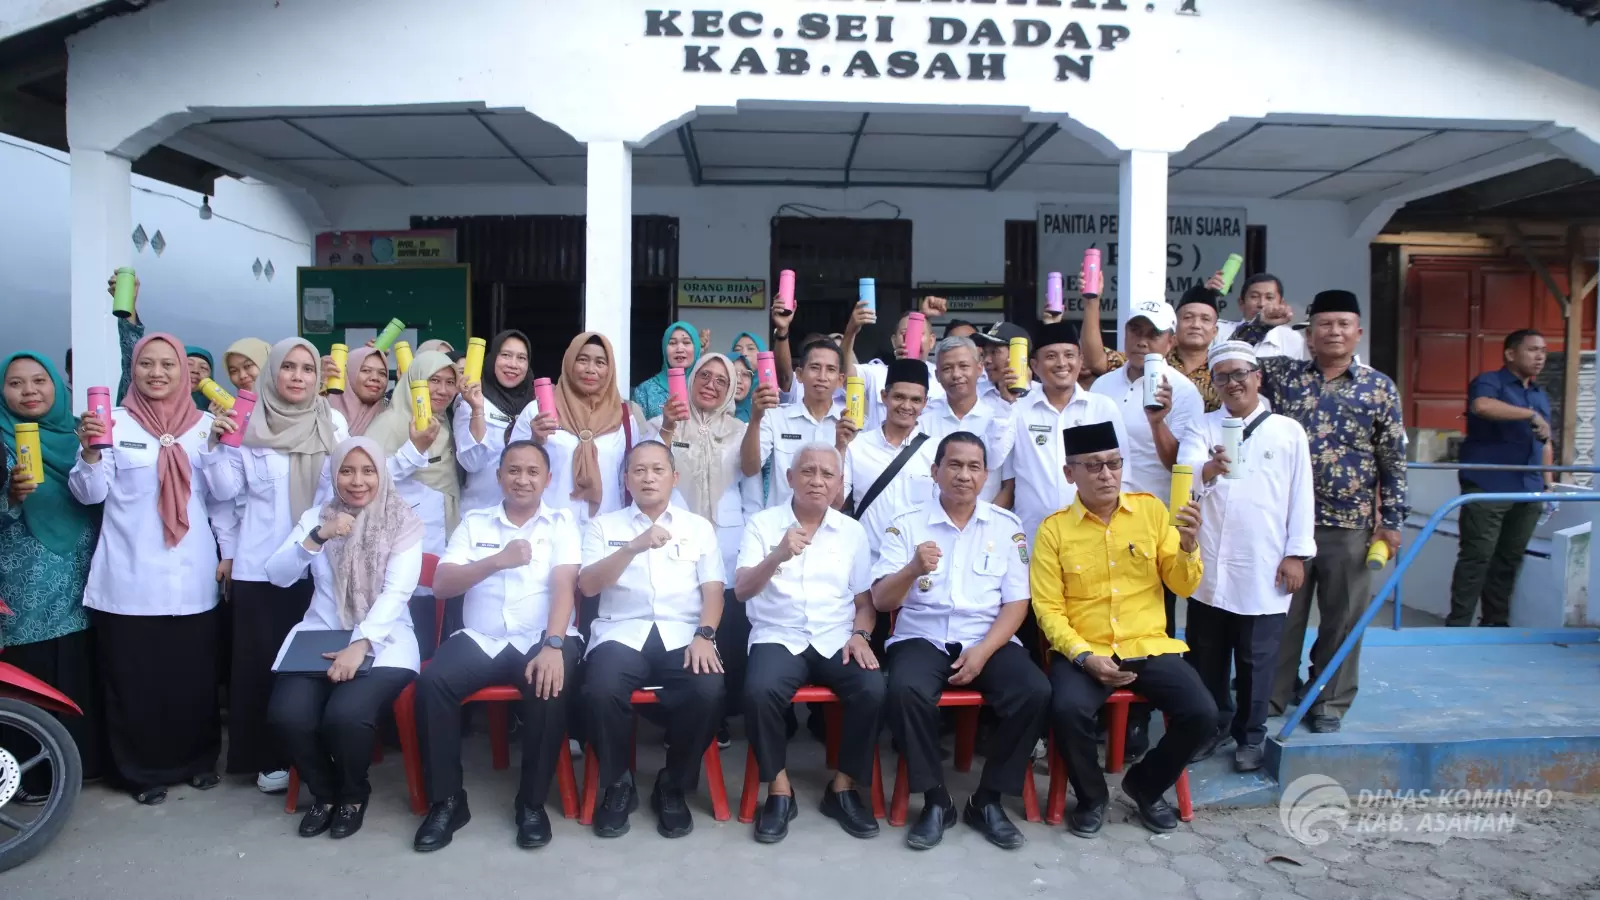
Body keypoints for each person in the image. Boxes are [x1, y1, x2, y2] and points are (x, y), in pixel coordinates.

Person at [1232, 290, 1407, 733]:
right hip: (1287, 523)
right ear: (1308, 335)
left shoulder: (1379, 387)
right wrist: (1261, 321)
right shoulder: (1284, 375)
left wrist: (1391, 521)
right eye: (1324, 324)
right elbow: (1234, 357)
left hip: (1349, 525)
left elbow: (1393, 459)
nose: (1334, 332)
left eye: (1343, 324)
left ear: (1358, 332)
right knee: (1280, 618)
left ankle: (1328, 700)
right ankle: (1272, 694)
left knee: (1342, 621)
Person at [1031, 421, 1215, 837]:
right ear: (1070, 474)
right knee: (1066, 710)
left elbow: (1182, 585)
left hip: (1146, 644)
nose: (1106, 475)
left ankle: (1145, 786)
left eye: (1114, 464)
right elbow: (1048, 609)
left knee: (1203, 714)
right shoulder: (1054, 530)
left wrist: (1188, 547)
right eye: (1093, 466)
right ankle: (1092, 797)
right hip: (1085, 648)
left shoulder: (1151, 511)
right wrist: (1084, 656)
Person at [68, 334, 228, 804]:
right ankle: (138, 772)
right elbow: (90, 494)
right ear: (133, 370)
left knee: (192, 678)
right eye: (147, 365)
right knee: (134, 682)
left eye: (168, 365)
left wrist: (217, 449)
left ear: (184, 373)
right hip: (130, 576)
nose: (157, 373)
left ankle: (197, 761)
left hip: (192, 576)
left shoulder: (205, 427)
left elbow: (221, 497)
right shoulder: (111, 423)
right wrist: (91, 453)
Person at [873, 432, 1050, 851]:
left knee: (1035, 691)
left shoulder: (1006, 527)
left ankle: (986, 800)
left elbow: (1017, 603)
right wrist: (912, 569)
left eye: (974, 467)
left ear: (986, 476)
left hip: (986, 635)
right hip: (923, 634)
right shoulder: (906, 523)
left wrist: (983, 651)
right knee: (904, 690)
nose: (964, 475)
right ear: (935, 471)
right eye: (954, 465)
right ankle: (936, 800)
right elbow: (881, 600)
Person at [412, 440, 583, 852]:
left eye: (532, 472)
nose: (522, 479)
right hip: (482, 638)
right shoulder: (475, 523)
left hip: (540, 637)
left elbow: (565, 587)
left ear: (547, 479)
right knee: (433, 684)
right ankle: (447, 801)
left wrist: (553, 644)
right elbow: (442, 585)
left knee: (549, 685)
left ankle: (531, 804)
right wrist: (496, 561)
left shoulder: (561, 523)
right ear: (499, 475)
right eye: (514, 470)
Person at [205, 337, 350, 793]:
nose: (298, 377)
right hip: (261, 568)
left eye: (307, 368)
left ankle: (317, 754)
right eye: (288, 367)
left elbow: (349, 487)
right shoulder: (247, 421)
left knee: (315, 665)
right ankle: (268, 759)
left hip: (322, 566)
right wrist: (218, 445)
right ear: (273, 372)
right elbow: (224, 493)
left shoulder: (333, 422)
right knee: (262, 668)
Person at [264, 436, 422, 839]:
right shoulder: (318, 517)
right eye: (347, 471)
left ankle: (353, 795)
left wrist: (360, 644)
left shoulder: (401, 520)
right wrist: (318, 537)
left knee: (346, 717)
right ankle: (325, 793)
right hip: (320, 634)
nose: (357, 481)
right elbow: (277, 575)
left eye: (368, 470)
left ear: (381, 473)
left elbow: (397, 591)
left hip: (385, 638)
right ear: (334, 475)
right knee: (288, 715)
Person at [734, 443, 884, 844]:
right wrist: (777, 554)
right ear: (790, 478)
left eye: (827, 474)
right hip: (778, 634)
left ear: (839, 484)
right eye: (808, 471)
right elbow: (742, 591)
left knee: (872, 688)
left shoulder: (851, 531)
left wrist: (861, 635)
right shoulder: (763, 524)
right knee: (760, 692)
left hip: (836, 636)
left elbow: (864, 603)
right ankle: (779, 790)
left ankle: (843, 787)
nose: (817, 481)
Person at [578, 441, 725, 839]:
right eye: (639, 470)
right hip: (620, 632)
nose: (648, 478)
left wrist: (705, 635)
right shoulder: (603, 527)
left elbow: (713, 591)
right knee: (600, 689)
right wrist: (632, 547)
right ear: (626, 479)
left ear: (674, 477)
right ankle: (618, 783)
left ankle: (673, 784)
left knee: (709, 690)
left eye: (658, 470)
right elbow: (588, 586)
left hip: (684, 634)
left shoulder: (697, 527)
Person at [1186, 342, 1315, 772]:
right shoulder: (1203, 426)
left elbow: (1301, 495)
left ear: (1257, 377)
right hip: (1210, 564)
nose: (1232, 383)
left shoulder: (1287, 431)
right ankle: (1211, 726)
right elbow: (1184, 476)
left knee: (1256, 659)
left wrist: (1296, 554)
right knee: (1206, 655)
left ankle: (1251, 735)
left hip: (1264, 563)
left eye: (1240, 373)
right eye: (1222, 376)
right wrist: (1209, 469)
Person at [0, 351, 105, 801]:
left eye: (39, 381)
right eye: (16, 383)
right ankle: (29, 775)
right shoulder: (3, 439)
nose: (29, 391)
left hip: (82, 572)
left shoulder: (79, 435)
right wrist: (9, 497)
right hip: (23, 581)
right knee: (31, 674)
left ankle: (85, 764)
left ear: (57, 388)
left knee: (81, 666)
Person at [655, 352, 752, 744]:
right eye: (704, 376)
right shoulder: (664, 422)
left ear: (731, 390)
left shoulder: (742, 430)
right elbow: (652, 467)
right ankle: (675, 716)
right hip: (674, 535)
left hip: (725, 539)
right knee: (679, 623)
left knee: (722, 628)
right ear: (691, 379)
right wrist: (667, 426)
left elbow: (750, 477)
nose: (711, 385)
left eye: (721, 381)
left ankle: (718, 715)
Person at [1449, 329, 1553, 628]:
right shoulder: (1490, 381)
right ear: (1510, 353)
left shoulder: (1538, 394)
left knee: (1509, 559)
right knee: (1477, 556)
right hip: (1489, 486)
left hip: (1528, 489)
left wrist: (1548, 485)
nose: (1540, 357)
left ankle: (1495, 623)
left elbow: (1546, 442)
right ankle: (1458, 626)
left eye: (1543, 351)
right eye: (1532, 350)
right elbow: (1482, 406)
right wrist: (1529, 415)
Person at [366, 351, 461, 658]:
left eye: (450, 382)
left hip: (440, 536)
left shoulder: (444, 423)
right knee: (407, 622)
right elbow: (367, 479)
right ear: (415, 381)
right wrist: (414, 448)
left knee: (435, 626)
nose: (443, 390)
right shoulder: (390, 423)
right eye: (434, 381)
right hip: (403, 538)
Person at [1005, 322, 1129, 545]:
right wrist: (1005, 404)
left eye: (1069, 355)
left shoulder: (1101, 407)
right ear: (1034, 365)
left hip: (1092, 534)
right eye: (1051, 356)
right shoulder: (1018, 409)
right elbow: (996, 461)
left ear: (1081, 361)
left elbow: (1122, 471)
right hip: (1033, 535)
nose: (1062, 363)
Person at [513, 332, 643, 532]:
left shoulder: (624, 418)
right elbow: (512, 468)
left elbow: (631, 474)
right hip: (547, 529)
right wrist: (534, 440)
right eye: (582, 360)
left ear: (610, 369)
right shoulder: (538, 411)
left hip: (607, 529)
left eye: (600, 363)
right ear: (569, 363)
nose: (590, 369)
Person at [742, 338, 853, 510]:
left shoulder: (849, 425)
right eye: (815, 367)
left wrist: (840, 446)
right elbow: (749, 469)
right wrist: (755, 418)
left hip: (827, 525)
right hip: (780, 523)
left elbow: (838, 502)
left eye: (830, 369)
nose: (822, 377)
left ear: (840, 380)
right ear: (799, 375)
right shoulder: (775, 417)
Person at [845, 359, 937, 553]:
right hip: (866, 558)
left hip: (917, 560)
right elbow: (836, 503)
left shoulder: (936, 451)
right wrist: (839, 447)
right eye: (899, 397)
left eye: (915, 400)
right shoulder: (856, 446)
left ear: (925, 403)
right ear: (884, 396)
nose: (906, 406)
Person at [921, 335, 1015, 505]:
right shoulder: (923, 423)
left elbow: (1009, 486)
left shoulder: (1000, 418)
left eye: (963, 366)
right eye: (947, 368)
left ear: (979, 368)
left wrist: (985, 518)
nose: (956, 375)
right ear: (937, 375)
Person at [841, 297, 949, 431]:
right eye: (904, 334)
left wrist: (921, 315)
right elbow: (845, 374)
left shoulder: (942, 377)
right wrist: (850, 331)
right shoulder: (877, 373)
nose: (911, 339)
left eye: (918, 334)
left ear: (932, 341)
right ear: (893, 341)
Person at [457, 330, 533, 514]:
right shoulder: (471, 398)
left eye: (521, 358)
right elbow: (472, 463)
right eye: (506, 355)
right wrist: (477, 409)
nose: (513, 364)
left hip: (526, 516)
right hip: (481, 513)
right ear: (492, 358)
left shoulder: (535, 403)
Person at [1216, 273, 1308, 360]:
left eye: (1269, 297)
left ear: (1281, 304)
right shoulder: (1219, 331)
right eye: (1254, 296)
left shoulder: (1292, 338)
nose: (1262, 304)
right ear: (1241, 303)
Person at [632, 321, 702, 421]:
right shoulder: (645, 390)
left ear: (696, 348)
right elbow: (637, 428)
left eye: (686, 342)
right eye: (672, 343)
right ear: (664, 349)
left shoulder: (706, 388)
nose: (679, 349)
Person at [327, 347, 390, 437]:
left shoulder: (389, 418)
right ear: (349, 374)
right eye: (366, 370)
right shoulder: (322, 410)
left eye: (382, 373)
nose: (375, 378)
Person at [971, 322, 1032, 406]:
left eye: (995, 352)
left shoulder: (1041, 395)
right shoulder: (974, 395)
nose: (986, 360)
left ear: (1020, 355)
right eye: (984, 353)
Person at [185, 346, 216, 410]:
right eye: (189, 364)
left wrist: (210, 415)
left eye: (203, 368)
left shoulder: (218, 404)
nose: (195, 370)